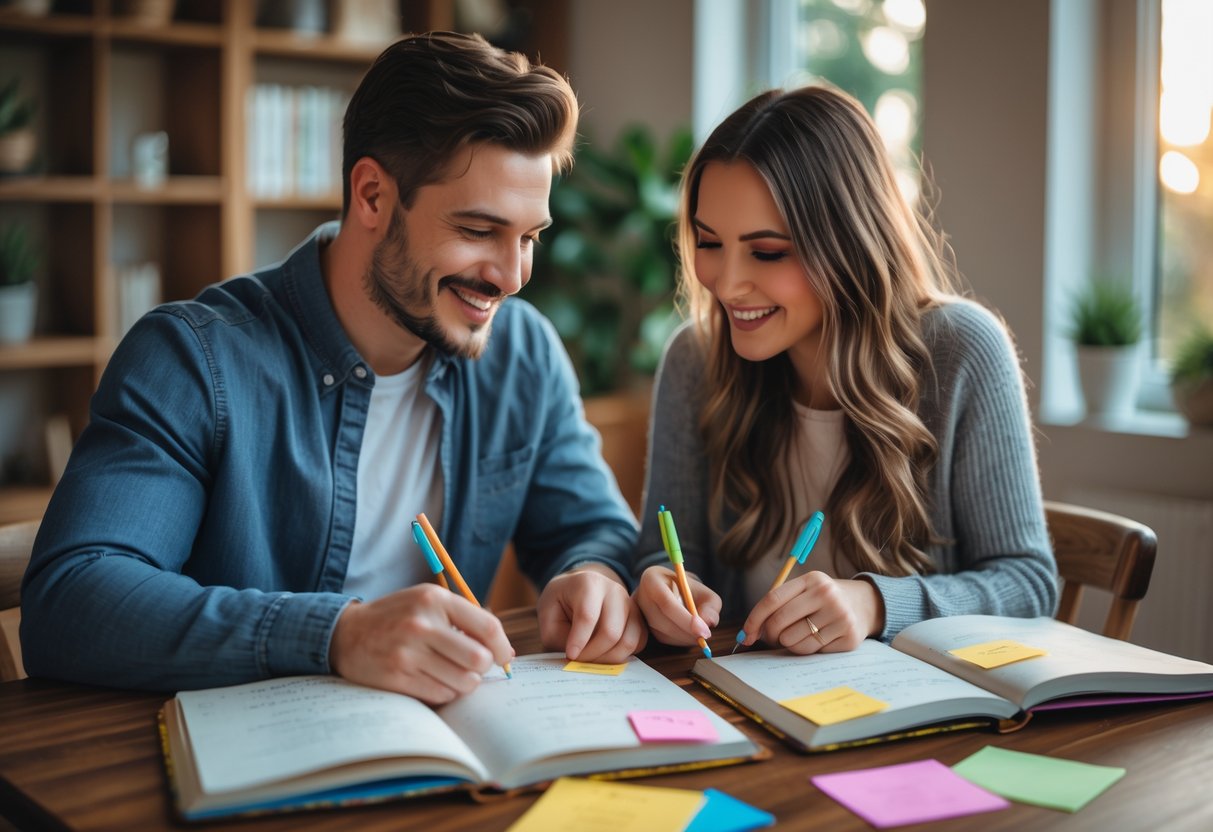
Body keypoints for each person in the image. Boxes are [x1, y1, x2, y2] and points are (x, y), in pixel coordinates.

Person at [21, 32, 646, 703]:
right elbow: (72, 600)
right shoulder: (193, 359)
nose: (512, 277)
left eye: (529, 238)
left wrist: (594, 576)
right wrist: (336, 635)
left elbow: (592, 529)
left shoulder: (521, 353)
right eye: (476, 231)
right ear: (372, 196)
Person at [632, 85, 1058, 656]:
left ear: (848, 243)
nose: (727, 285)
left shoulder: (962, 351)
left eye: (767, 252)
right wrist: (662, 586)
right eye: (709, 242)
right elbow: (667, 554)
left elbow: (1028, 585)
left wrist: (874, 604)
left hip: (911, 719)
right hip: (749, 709)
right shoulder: (696, 360)